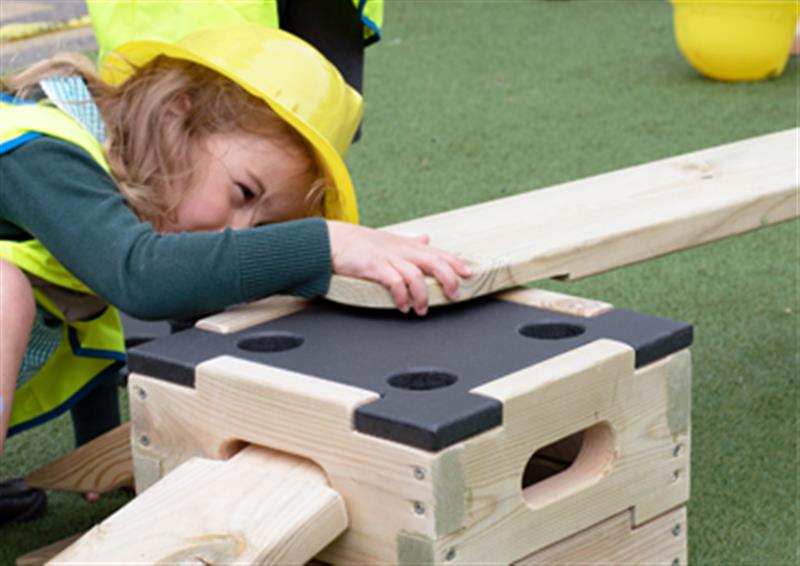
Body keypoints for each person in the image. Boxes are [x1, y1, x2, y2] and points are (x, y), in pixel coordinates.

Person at [0, 23, 471, 522]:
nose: (240, 230)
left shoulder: (107, 174)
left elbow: (88, 313)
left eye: (263, 224)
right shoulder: (42, 149)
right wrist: (325, 244)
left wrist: (97, 446)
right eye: (244, 193)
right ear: (176, 114)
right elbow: (137, 275)